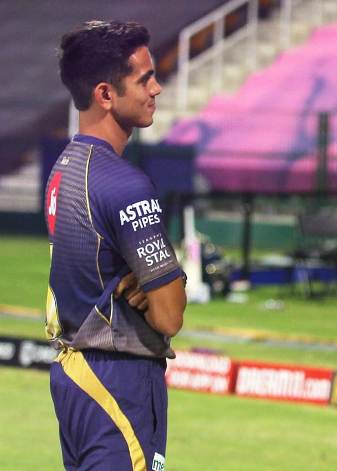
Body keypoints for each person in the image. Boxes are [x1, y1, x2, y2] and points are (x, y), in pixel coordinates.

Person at [45, 20, 186, 470]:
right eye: (144, 78)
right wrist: (162, 285)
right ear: (106, 94)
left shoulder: (63, 169)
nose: (157, 88)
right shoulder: (125, 185)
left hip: (76, 377)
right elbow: (170, 314)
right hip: (118, 380)